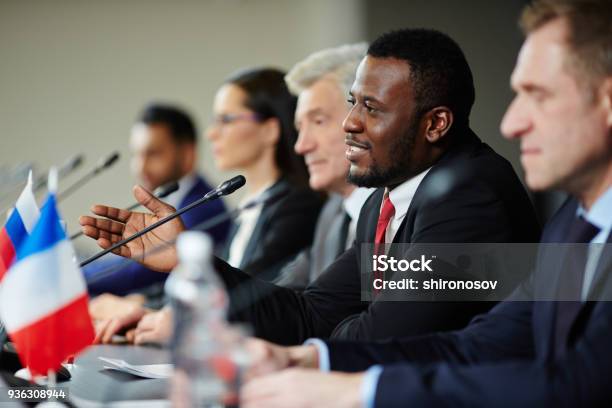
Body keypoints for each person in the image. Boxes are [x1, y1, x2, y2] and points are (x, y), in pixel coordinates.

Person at [239, 0, 612, 406]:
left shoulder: (471, 192)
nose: (511, 123)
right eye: (353, 103)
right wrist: (311, 358)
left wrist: (356, 389)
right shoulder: (570, 226)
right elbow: (476, 347)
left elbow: (579, 386)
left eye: (537, 95)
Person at [80, 28, 541, 345]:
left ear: (436, 123)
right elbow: (310, 314)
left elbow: (383, 338)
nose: (350, 123)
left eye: (373, 108)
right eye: (351, 102)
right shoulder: (384, 201)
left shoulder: (470, 193)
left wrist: (307, 341)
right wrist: (186, 260)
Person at [82, 104, 230, 298]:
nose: (140, 167)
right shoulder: (169, 198)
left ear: (187, 154)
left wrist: (71, 276)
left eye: (153, 154)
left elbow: (136, 271)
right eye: (137, 154)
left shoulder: (204, 207)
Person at [207, 67, 323, 281]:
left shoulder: (297, 205)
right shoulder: (250, 204)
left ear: (269, 130)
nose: (211, 133)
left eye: (226, 120)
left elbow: (248, 288)